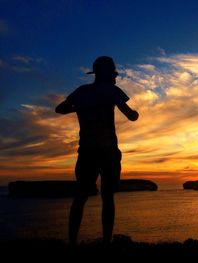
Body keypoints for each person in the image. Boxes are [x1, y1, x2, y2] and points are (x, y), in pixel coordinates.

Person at [55, 56, 139, 245]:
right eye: (114, 74)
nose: (115, 78)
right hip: (108, 151)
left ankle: (72, 242)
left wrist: (79, 108)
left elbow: (59, 109)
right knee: (108, 198)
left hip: (86, 151)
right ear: (108, 74)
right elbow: (131, 116)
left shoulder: (82, 92)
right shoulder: (112, 90)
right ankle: (106, 243)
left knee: (80, 197)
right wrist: (136, 114)